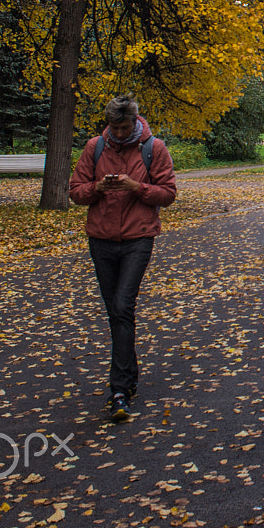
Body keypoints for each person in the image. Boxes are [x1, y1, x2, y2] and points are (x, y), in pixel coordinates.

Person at [69, 94, 177, 422]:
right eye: (113, 127)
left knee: (122, 305)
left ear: (134, 122)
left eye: (123, 126)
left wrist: (136, 187)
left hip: (137, 238)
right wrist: (98, 188)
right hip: (101, 240)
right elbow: (75, 191)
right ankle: (126, 381)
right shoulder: (95, 147)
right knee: (115, 311)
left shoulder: (153, 148)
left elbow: (168, 194)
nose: (117, 132)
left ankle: (119, 387)